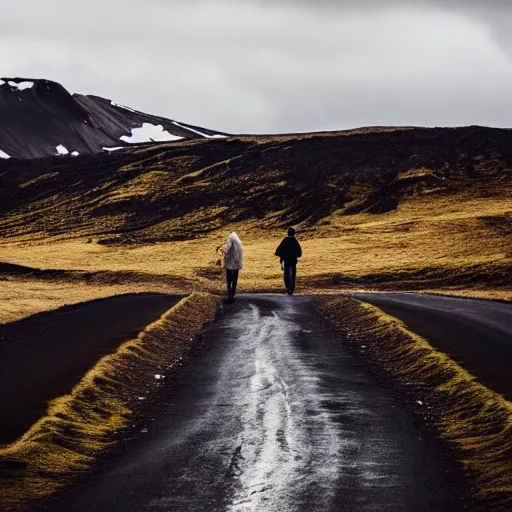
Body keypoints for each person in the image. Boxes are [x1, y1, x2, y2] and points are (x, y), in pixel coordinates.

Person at [275, 227, 302, 295]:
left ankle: (288, 287)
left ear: (288, 233)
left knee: (286, 274)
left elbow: (279, 250)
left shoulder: (285, 240)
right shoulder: (295, 241)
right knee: (292, 275)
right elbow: (299, 252)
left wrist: (281, 256)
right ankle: (291, 288)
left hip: (286, 260)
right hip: (293, 261)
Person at [222, 232, 244, 300]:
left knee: (229, 280)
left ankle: (229, 293)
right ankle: (233, 292)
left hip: (229, 263)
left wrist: (223, 250)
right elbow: (241, 254)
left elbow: (227, 249)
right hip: (236, 264)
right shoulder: (239, 243)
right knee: (235, 279)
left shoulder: (230, 240)